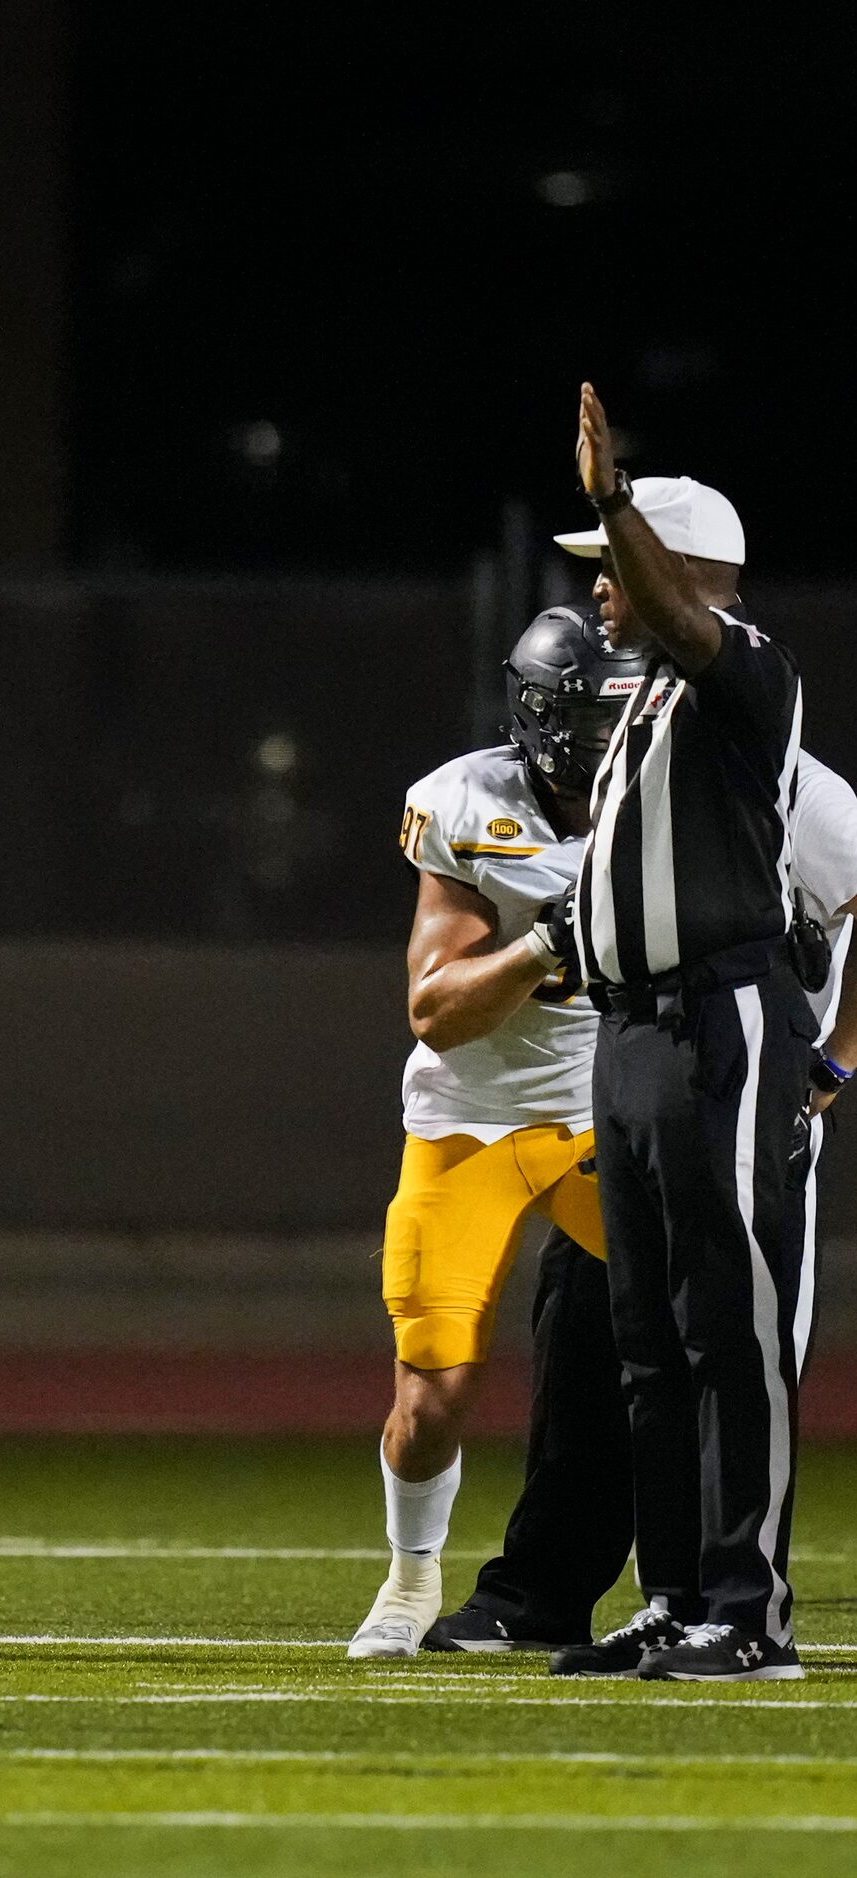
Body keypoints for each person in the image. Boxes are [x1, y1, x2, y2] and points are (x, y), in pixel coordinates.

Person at [428, 749, 857, 1653]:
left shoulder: (800, 794)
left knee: (730, 1352)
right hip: (635, 1088)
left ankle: (736, 1608)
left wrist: (831, 1065)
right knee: (610, 1349)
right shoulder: (648, 767)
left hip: (741, 1094)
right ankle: (582, 1591)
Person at [544, 384, 809, 1681]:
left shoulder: (736, 670)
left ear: (685, 570)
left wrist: (611, 498)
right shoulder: (639, 698)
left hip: (720, 1015)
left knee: (728, 1323)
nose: (595, 588)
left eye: (613, 565)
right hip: (628, 1031)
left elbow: (684, 625)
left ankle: (743, 1605)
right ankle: (668, 1592)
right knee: (640, 1335)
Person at [343, 606, 640, 1659]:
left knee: (680, 1348)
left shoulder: (668, 794)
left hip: (603, 1114)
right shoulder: (466, 803)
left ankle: (681, 1575)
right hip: (469, 1117)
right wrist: (540, 951)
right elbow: (433, 1010)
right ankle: (410, 1575)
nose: (608, 737)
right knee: (430, 1386)